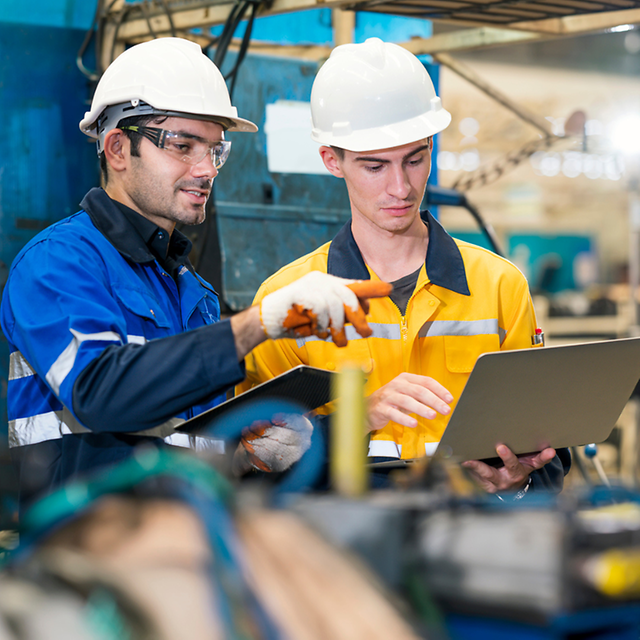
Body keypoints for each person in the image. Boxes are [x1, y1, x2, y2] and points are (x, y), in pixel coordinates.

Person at [0, 37, 386, 510]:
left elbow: (192, 449)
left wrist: (260, 450)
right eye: (183, 146)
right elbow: (99, 392)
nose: (206, 170)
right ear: (118, 148)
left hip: (189, 549)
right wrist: (255, 323)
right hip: (83, 558)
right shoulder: (57, 263)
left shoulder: (193, 293)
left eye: (215, 151)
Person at [237, 37, 571, 496]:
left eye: (415, 160)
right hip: (343, 543)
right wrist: (361, 416)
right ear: (332, 160)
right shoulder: (287, 299)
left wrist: (518, 479)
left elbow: (547, 437)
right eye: (375, 167)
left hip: (469, 533)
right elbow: (257, 458)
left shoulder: (499, 285)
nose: (401, 188)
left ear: (431, 146)